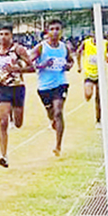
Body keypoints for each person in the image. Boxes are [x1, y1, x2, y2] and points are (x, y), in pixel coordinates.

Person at [0, 25, 34, 167]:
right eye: (1, 34)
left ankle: (14, 118)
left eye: (6, 34)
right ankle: (3, 156)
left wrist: (18, 69)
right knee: (2, 122)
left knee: (18, 123)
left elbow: (32, 67)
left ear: (11, 36)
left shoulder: (18, 50)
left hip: (18, 88)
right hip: (3, 88)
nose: (3, 37)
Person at [31, 19, 74, 156]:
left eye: (58, 29)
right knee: (51, 113)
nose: (55, 32)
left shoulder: (64, 47)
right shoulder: (41, 47)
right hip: (44, 87)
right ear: (47, 32)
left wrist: (68, 66)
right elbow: (29, 62)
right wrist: (42, 65)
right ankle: (52, 121)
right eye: (52, 29)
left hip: (60, 84)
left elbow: (70, 60)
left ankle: (58, 146)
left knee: (58, 112)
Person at [76, 32, 108, 126]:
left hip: (100, 75)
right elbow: (78, 52)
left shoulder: (106, 44)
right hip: (89, 73)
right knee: (88, 94)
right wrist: (79, 66)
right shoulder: (86, 43)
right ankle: (87, 94)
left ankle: (98, 120)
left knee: (99, 99)